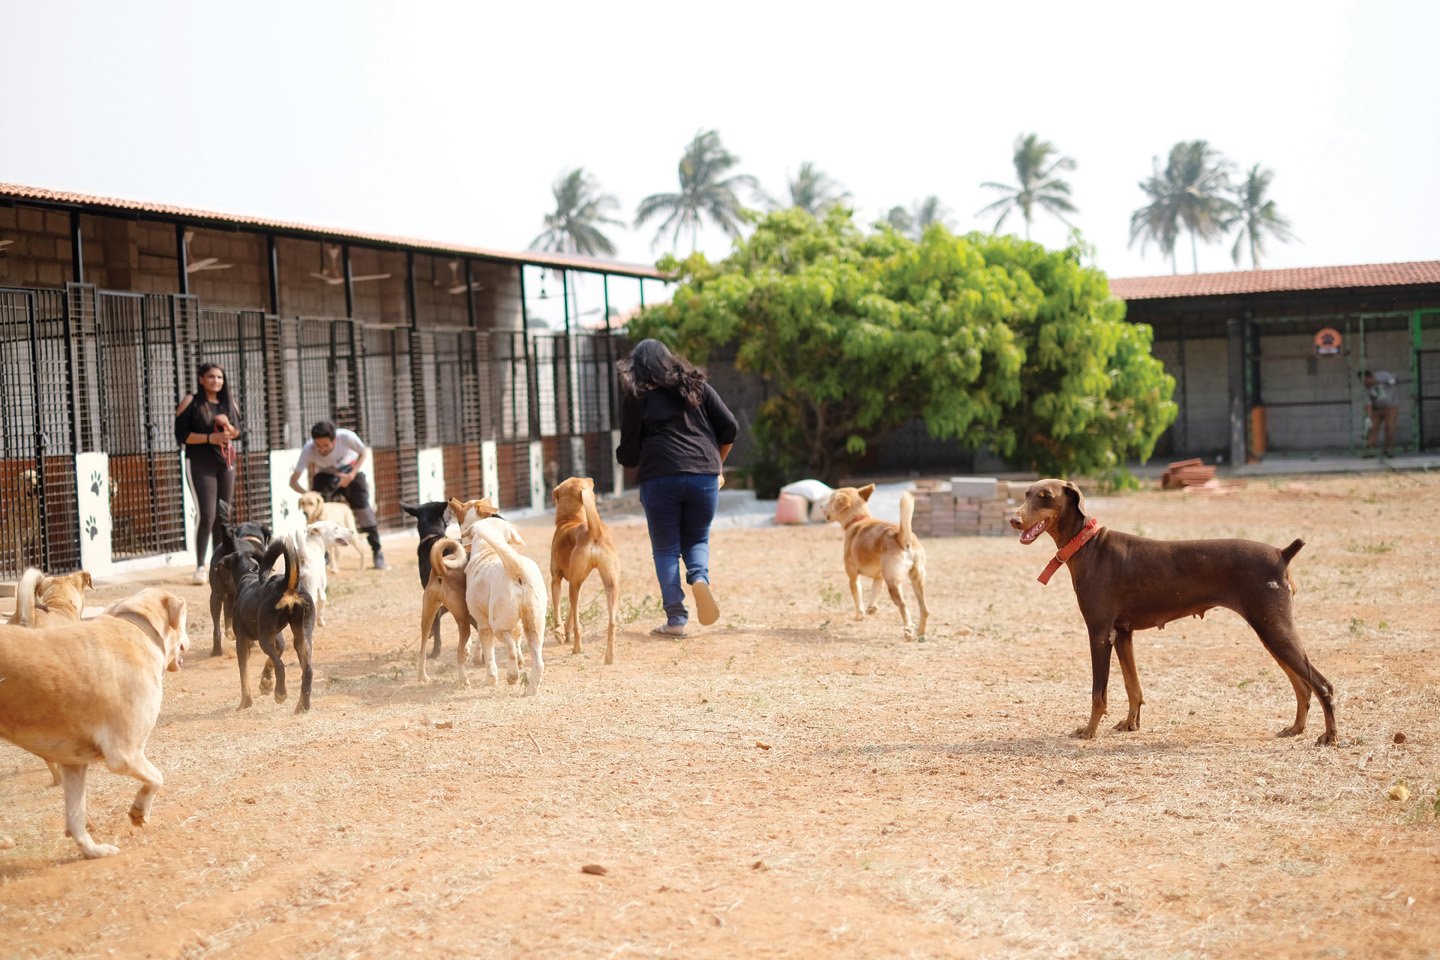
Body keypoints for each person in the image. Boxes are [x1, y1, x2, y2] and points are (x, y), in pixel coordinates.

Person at [616, 339, 738, 637]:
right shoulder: (696, 386)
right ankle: (699, 578)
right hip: (704, 474)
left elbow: (629, 454)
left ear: (637, 368)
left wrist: (632, 453)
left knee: (666, 549)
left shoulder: (637, 395)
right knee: (697, 540)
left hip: (660, 476)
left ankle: (676, 619)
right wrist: (716, 466)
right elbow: (730, 427)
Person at [174, 362, 242, 584]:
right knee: (207, 515)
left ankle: (220, 564)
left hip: (225, 463)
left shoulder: (229, 403)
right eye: (211, 377)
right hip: (200, 463)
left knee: (223, 516)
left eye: (220, 377)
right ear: (201, 379)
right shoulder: (191, 402)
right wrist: (209, 438)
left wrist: (228, 427)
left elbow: (238, 433)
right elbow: (182, 435)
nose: (216, 381)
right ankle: (200, 567)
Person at [289, 420, 388, 570]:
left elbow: (363, 452)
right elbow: (293, 481)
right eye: (318, 446)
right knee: (317, 514)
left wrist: (351, 475)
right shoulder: (308, 449)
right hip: (326, 476)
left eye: (326, 446)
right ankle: (325, 555)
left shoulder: (347, 437)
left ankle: (377, 552)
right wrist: (309, 494)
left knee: (363, 509)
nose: (322, 449)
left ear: (334, 440)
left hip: (350, 471)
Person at [1360, 369, 1399, 458]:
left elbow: (1395, 379)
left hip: (1391, 407)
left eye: (1365, 380)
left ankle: (1388, 450)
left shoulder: (1383, 375)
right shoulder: (1366, 389)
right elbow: (1368, 404)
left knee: (1389, 427)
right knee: (1372, 429)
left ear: (1370, 377)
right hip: (1376, 409)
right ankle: (1369, 451)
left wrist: (1383, 381)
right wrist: (1368, 418)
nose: (1364, 383)